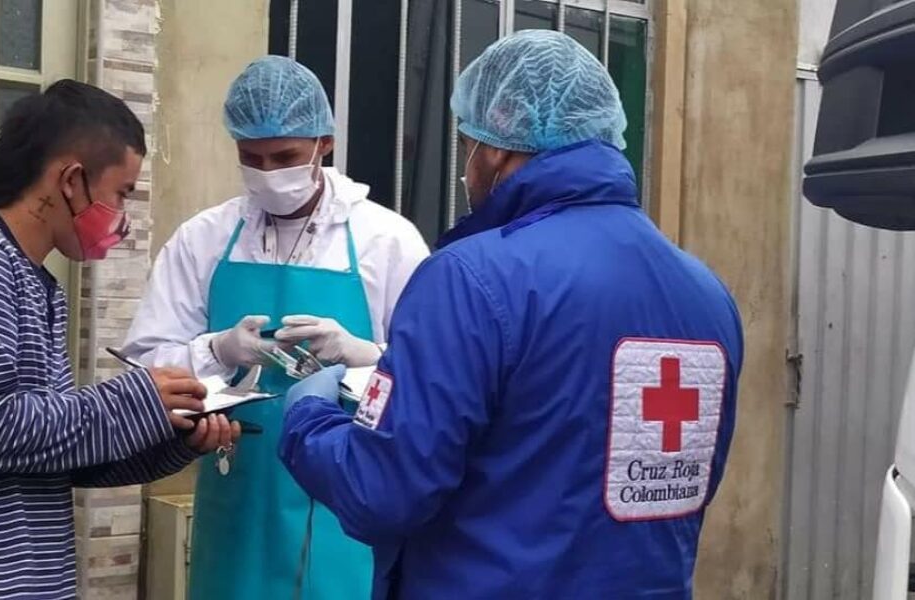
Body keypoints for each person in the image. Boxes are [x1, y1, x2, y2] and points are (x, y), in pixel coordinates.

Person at [278, 30, 744, 599]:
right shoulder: (708, 295)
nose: (465, 166)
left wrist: (308, 418)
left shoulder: (471, 278)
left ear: (495, 145)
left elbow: (384, 491)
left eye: (465, 142)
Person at [0, 80, 238, 600]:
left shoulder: (36, 282)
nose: (123, 219)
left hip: (28, 576)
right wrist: (133, 399)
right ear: (71, 180)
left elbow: (57, 451)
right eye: (121, 193)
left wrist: (171, 431)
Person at [121, 56, 429, 599]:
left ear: (324, 144)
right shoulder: (205, 239)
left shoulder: (388, 242)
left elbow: (430, 383)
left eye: (284, 156)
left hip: (348, 507)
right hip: (236, 493)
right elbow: (146, 365)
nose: (268, 172)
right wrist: (214, 350)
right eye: (251, 158)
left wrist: (362, 354)